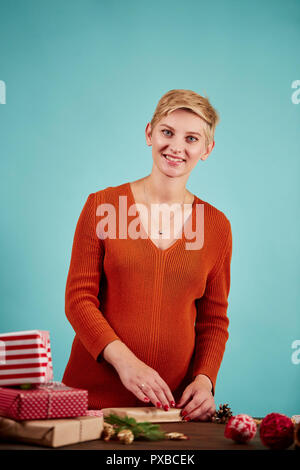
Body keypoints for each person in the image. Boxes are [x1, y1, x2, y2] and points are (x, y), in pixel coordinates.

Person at [62, 89, 232, 422]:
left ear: (207, 149)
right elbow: (79, 300)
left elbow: (213, 320)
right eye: (167, 132)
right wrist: (126, 362)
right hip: (91, 405)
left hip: (169, 412)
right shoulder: (103, 206)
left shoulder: (216, 226)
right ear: (149, 133)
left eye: (192, 138)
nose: (176, 147)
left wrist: (205, 379)